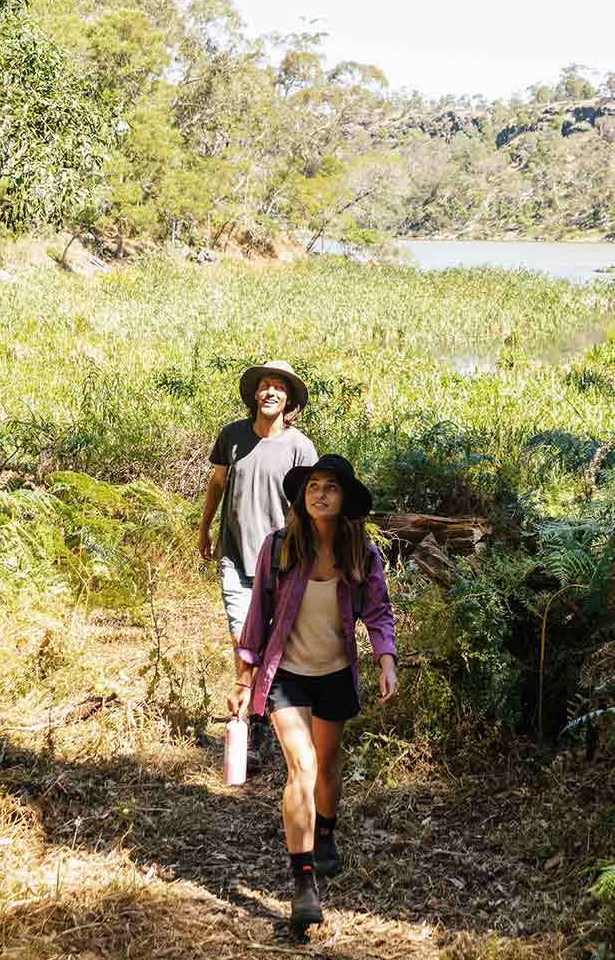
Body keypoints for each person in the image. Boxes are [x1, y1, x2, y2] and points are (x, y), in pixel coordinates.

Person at [226, 454, 398, 932]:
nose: (320, 493)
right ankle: (303, 886)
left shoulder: (360, 554)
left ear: (344, 502)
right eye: (313, 486)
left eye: (331, 487)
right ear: (303, 497)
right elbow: (256, 617)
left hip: (336, 673)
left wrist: (387, 662)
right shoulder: (280, 548)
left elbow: (378, 612)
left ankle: (325, 832)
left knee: (327, 765)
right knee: (300, 767)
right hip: (287, 674)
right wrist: (243, 680)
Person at [201, 360, 317, 767]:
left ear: (288, 400)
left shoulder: (300, 447)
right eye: (264, 386)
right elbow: (217, 484)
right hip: (234, 555)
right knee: (242, 640)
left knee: (273, 644)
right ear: (255, 394)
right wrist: (204, 530)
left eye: (278, 389)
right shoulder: (232, 436)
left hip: (281, 562)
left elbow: (310, 505)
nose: (270, 393)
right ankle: (249, 719)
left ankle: (269, 720)